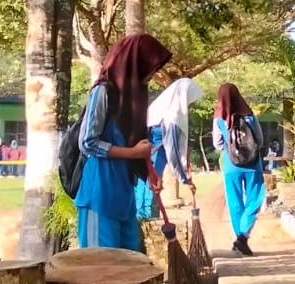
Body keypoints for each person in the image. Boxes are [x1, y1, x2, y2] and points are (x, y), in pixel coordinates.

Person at [75, 33, 172, 250]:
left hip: (124, 198)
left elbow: (137, 144)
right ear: (133, 64)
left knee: (131, 268)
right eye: (149, 68)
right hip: (99, 197)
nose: (153, 74)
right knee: (101, 270)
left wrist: (150, 174)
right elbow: (87, 142)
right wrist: (133, 154)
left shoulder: (134, 101)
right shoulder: (103, 92)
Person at [138, 77, 204, 220]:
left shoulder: (160, 108)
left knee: (145, 194)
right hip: (152, 166)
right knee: (148, 199)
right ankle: (146, 224)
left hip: (149, 165)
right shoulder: (172, 117)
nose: (190, 105)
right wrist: (185, 180)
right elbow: (173, 151)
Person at [212, 83, 265, 257]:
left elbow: (217, 144)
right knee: (255, 200)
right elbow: (259, 139)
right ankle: (242, 237)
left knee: (234, 202)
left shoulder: (219, 118)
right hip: (252, 164)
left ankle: (239, 238)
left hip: (230, 165)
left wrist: (231, 148)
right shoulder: (249, 115)